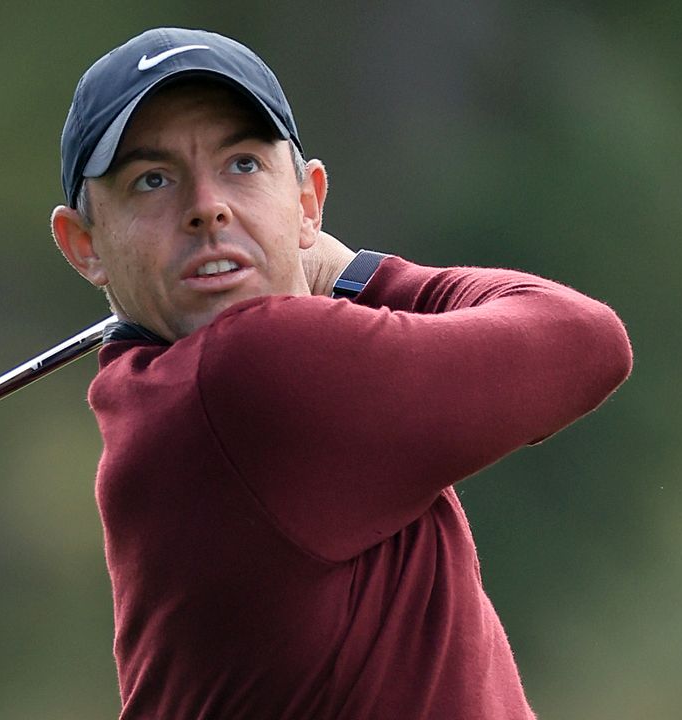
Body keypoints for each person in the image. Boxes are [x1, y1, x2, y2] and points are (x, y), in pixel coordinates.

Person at [49, 27, 632, 719]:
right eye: (154, 179)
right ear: (84, 245)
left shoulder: (147, 398)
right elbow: (586, 341)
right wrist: (351, 271)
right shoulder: (256, 369)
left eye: (242, 165)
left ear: (306, 201)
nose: (208, 206)